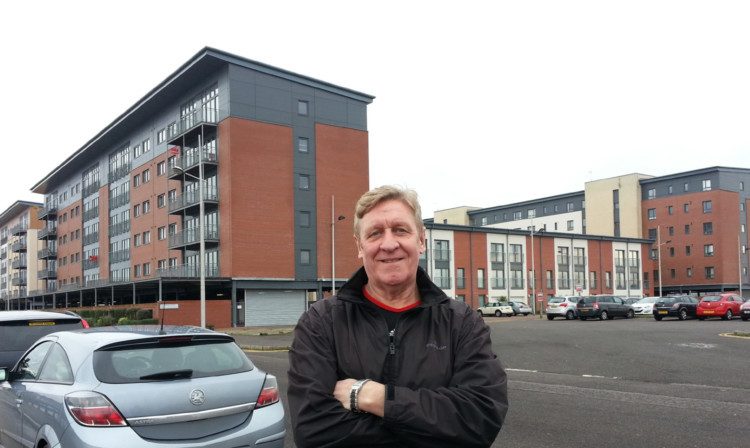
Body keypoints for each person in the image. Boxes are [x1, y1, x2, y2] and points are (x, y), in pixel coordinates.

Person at [287, 185, 508, 448]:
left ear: (421, 240)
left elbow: (479, 420)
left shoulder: (462, 323)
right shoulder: (321, 322)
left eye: (400, 230)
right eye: (375, 233)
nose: (389, 244)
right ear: (360, 246)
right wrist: (429, 424)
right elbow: (315, 433)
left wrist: (375, 397)